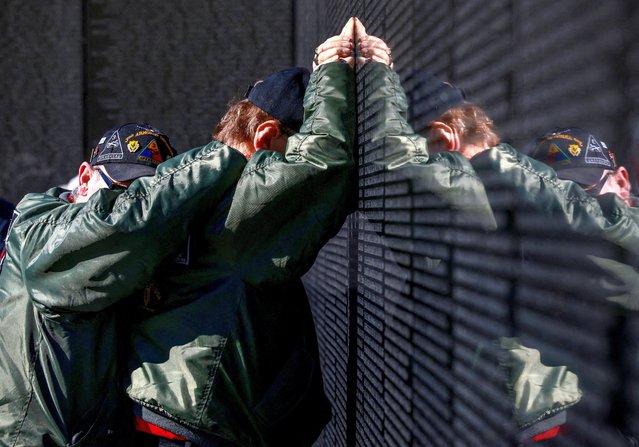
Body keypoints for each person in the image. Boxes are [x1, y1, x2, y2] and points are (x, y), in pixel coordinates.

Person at [125, 20, 357, 447]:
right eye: (295, 146)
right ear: (267, 136)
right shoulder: (239, 197)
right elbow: (324, 166)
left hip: (169, 407)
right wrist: (334, 70)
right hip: (200, 418)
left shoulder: (189, 179)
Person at [0, 122, 249, 446]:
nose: (133, 205)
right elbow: (123, 221)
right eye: (121, 189)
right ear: (85, 178)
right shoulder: (43, 232)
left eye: (144, 192)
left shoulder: (137, 256)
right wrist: (228, 154)